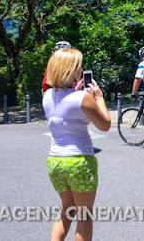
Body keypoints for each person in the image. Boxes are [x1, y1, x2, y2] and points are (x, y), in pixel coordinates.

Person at [42, 48, 111, 241]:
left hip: (55, 161)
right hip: (79, 161)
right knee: (84, 215)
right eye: (78, 65)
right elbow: (105, 125)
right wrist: (99, 98)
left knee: (67, 210)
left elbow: (66, 108)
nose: (81, 68)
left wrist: (78, 93)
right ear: (71, 69)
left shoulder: (47, 97)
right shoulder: (82, 98)